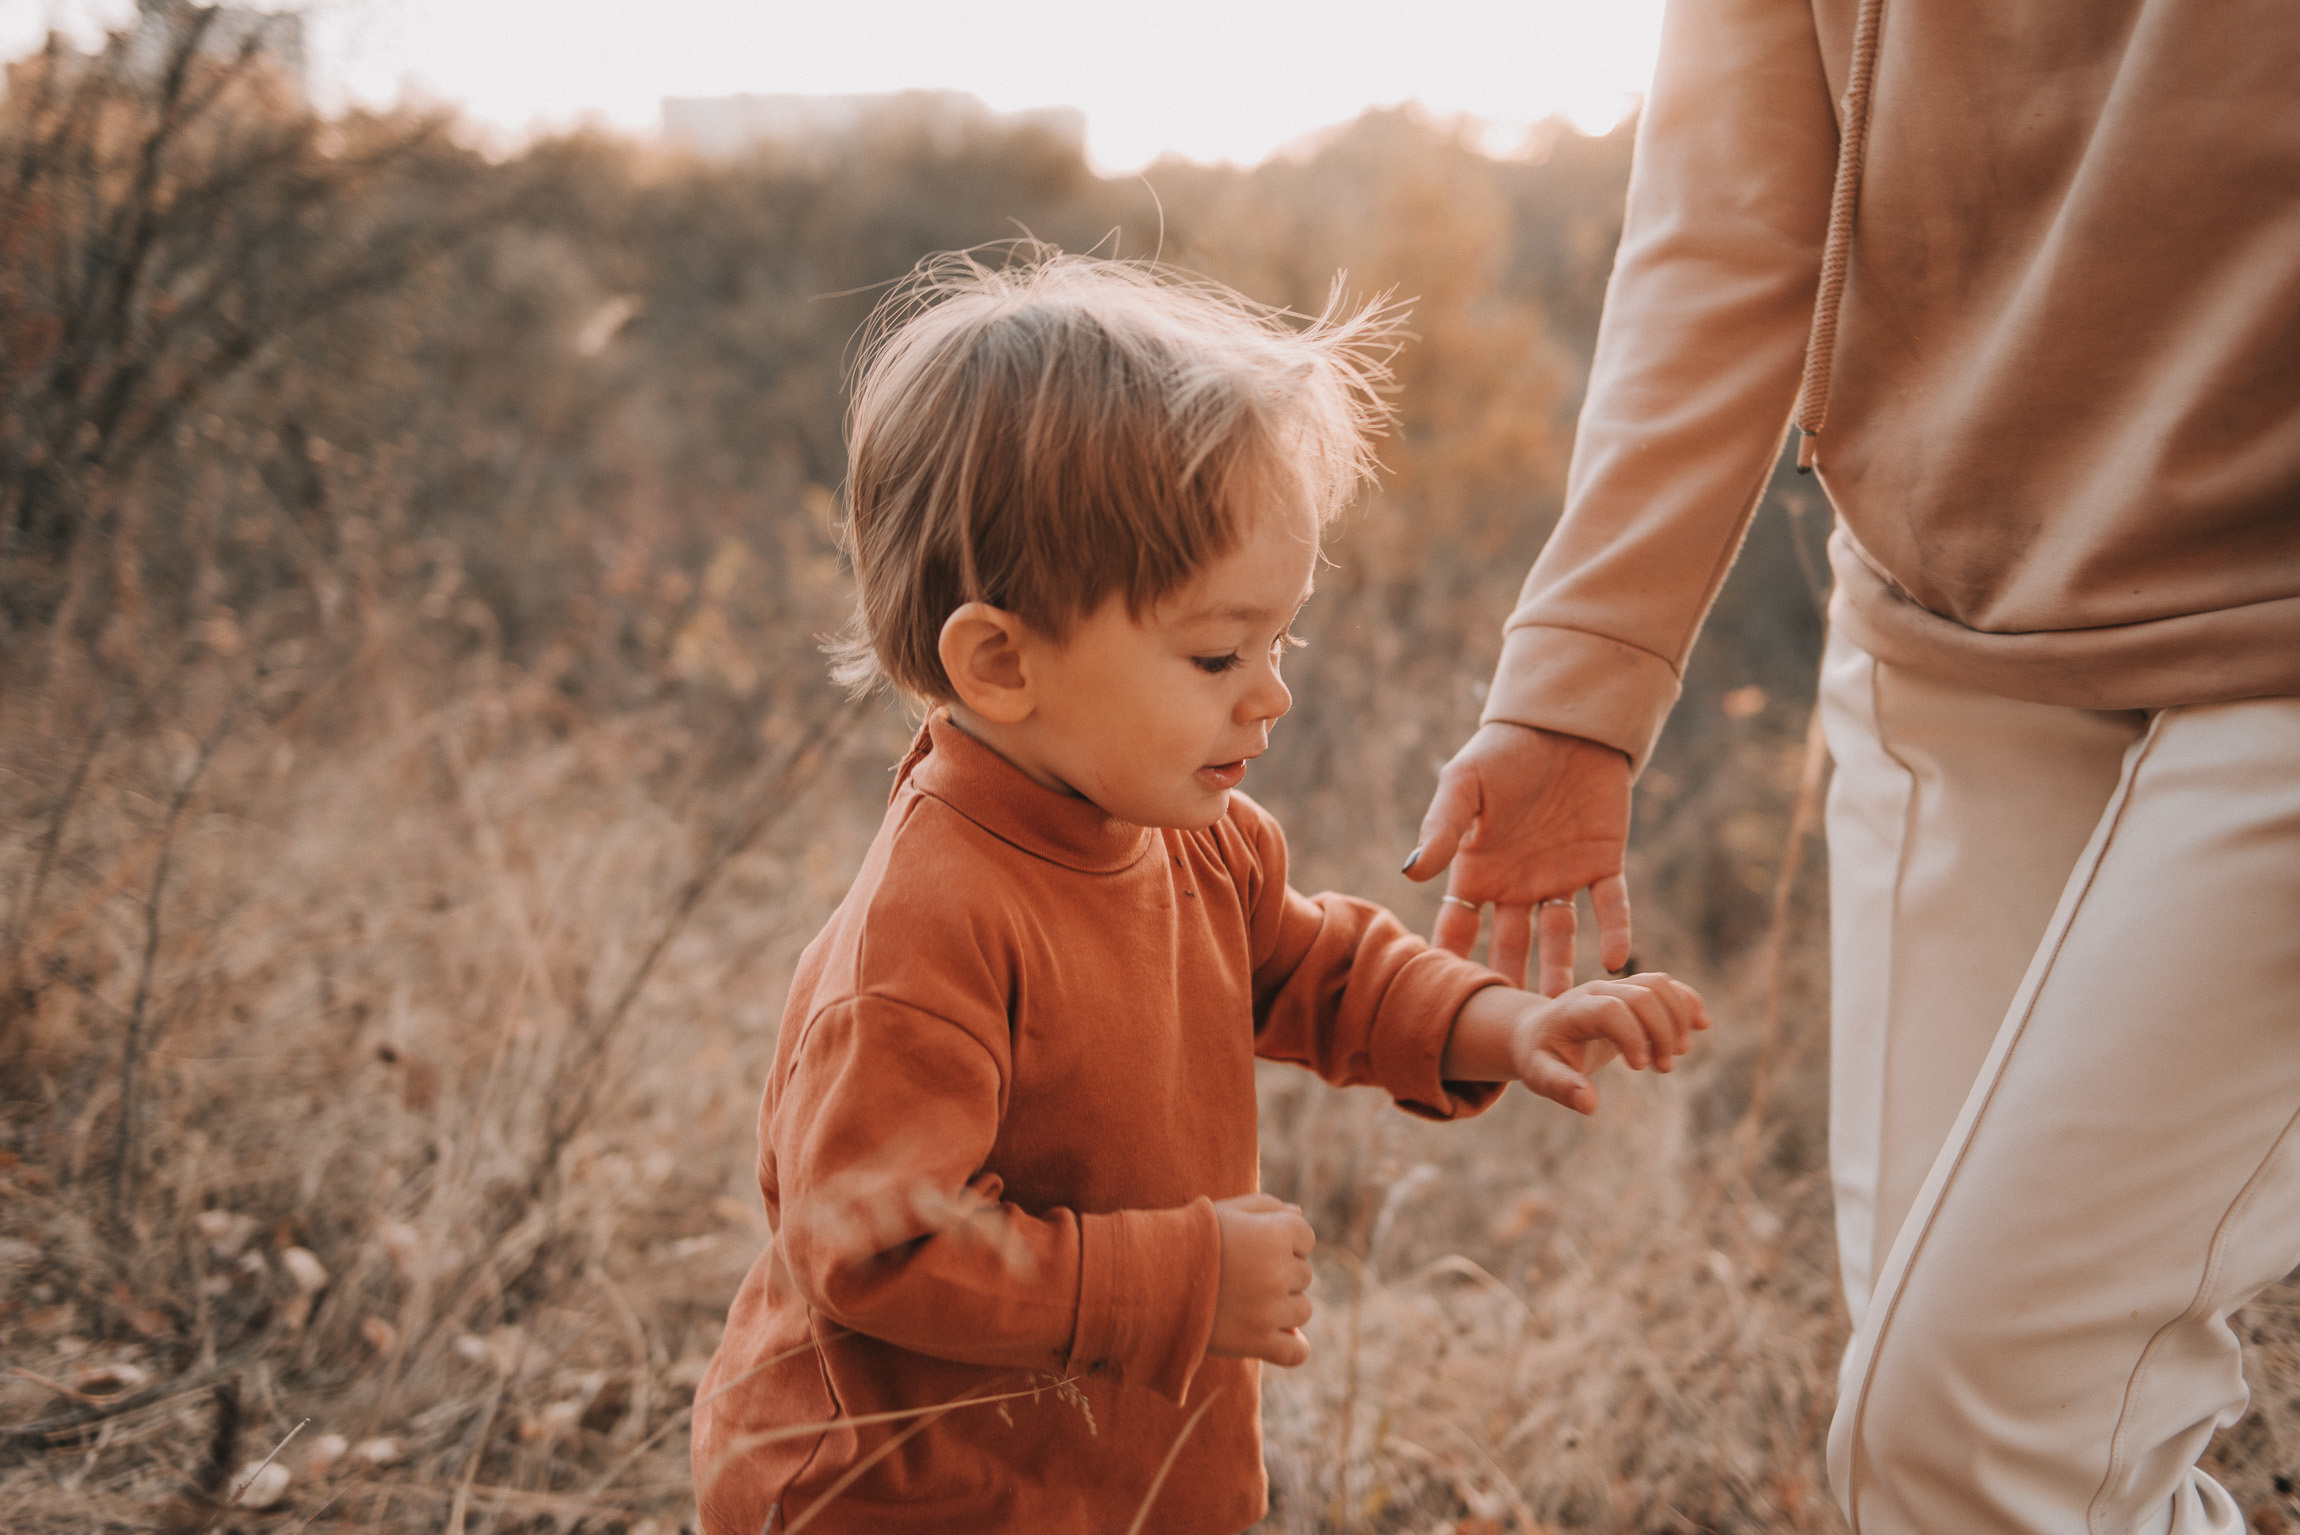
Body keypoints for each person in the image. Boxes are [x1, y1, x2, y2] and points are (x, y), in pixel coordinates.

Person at [1407, 0, 2300, 1530]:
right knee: (1948, 1466)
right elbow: (1726, 213)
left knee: (1962, 1425)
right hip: (1948, 634)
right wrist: (1578, 684)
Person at [689, 251, 1711, 1535]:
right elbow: (873, 1243)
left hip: (1111, 1474)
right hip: (899, 1494)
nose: (1270, 691)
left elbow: (1316, 967)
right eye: (1219, 652)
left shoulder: (1195, 840)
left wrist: (1500, 1021)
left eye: (1281, 637)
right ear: (1000, 661)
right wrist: (1175, 1280)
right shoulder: (930, 927)